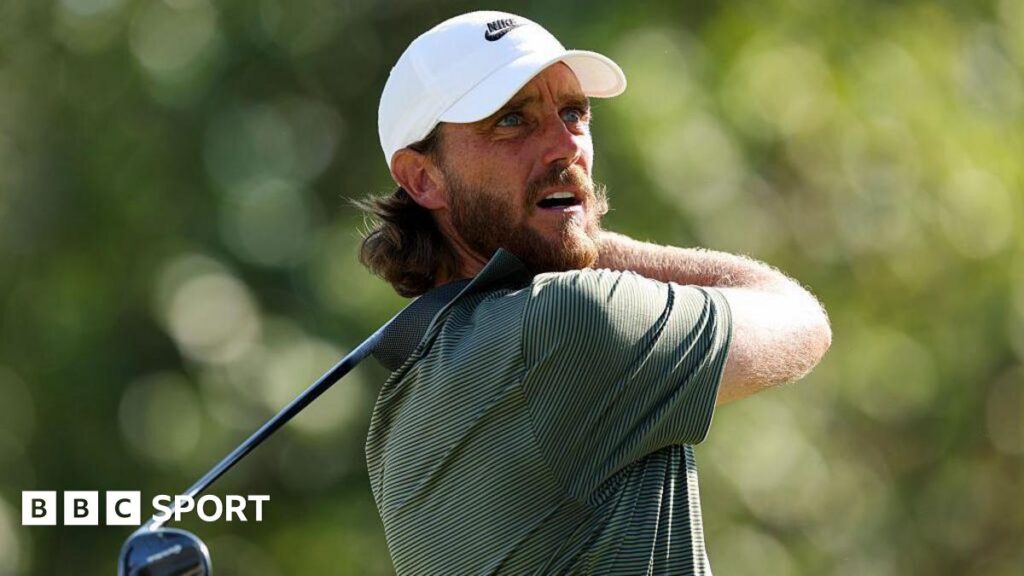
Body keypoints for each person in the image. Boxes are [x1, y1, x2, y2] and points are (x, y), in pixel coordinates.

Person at [356, 10, 831, 575]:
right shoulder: (567, 322)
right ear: (422, 179)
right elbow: (798, 317)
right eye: (512, 121)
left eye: (574, 113)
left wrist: (559, 228)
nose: (564, 146)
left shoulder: (396, 424)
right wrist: (585, 238)